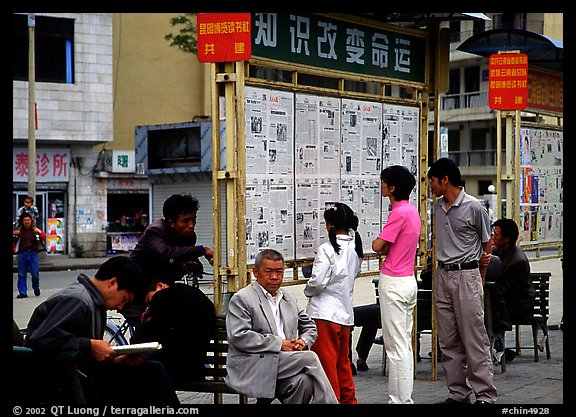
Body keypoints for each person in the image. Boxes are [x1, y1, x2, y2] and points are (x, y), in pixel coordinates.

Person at [24, 256, 180, 404]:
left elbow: (80, 349)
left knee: (152, 370)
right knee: (152, 375)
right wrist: (90, 345)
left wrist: (119, 359)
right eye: (124, 299)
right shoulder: (77, 300)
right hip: (63, 382)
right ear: (112, 282)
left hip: (81, 374)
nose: (120, 307)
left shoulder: (95, 304)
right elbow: (40, 339)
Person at [225, 249, 338, 404]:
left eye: (279, 271)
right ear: (256, 272)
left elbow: (309, 326)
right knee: (310, 357)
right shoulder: (242, 299)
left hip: (284, 363)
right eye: (268, 271)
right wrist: (279, 344)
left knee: (303, 382)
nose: (274, 277)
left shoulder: (288, 297)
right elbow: (239, 336)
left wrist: (303, 341)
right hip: (254, 365)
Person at [427, 157, 497, 405]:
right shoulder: (437, 206)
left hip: (466, 274)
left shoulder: (474, 207)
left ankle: (485, 395)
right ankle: (458, 393)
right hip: (442, 274)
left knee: (473, 338)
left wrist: (480, 274)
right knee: (448, 340)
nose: (431, 187)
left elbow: (487, 244)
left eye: (433, 181)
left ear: (445, 180)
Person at [121, 193, 215, 326]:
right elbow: (166, 253)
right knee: (146, 327)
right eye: (186, 220)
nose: (191, 225)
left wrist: (194, 265)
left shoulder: (189, 236)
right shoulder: (155, 231)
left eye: (194, 219)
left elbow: (189, 260)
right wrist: (201, 250)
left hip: (160, 289)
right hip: (135, 289)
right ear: (171, 222)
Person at [303, 202, 363, 403]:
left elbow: (317, 281)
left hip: (323, 315)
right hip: (345, 314)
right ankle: (349, 400)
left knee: (326, 368)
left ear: (328, 224)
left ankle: (332, 400)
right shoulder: (355, 247)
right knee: (342, 364)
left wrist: (307, 290)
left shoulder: (327, 249)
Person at [372, 165, 421, 404]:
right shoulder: (412, 212)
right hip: (408, 280)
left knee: (395, 348)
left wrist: (378, 242)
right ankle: (405, 398)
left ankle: (398, 401)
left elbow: (378, 245)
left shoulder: (398, 213)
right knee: (404, 346)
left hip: (393, 282)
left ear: (392, 188)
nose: (381, 185)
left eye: (384, 182)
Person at [130, 276, 217, 385]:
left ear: (160, 286)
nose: (149, 306)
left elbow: (153, 334)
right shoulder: (192, 293)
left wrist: (144, 324)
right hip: (196, 369)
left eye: (149, 300)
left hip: (174, 370)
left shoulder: (161, 297)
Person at [492, 218, 534, 362]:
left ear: (507, 239)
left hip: (518, 304)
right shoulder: (498, 251)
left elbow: (508, 291)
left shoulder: (518, 261)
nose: (493, 236)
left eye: (496, 234)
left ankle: (496, 348)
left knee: (488, 312)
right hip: (505, 299)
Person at [13, 212, 46, 298]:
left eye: (28, 220)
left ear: (31, 221)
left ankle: (36, 287)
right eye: (25, 220)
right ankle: (23, 292)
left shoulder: (34, 230)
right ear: (22, 221)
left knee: (35, 274)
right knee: (21, 274)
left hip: (33, 253)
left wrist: (39, 231)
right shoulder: (19, 231)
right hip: (22, 253)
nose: (27, 222)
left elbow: (44, 237)